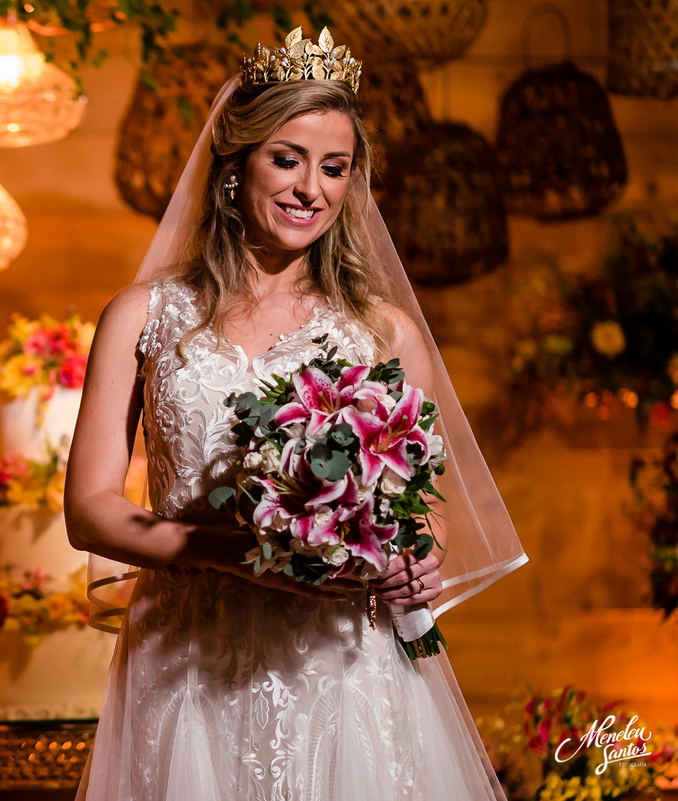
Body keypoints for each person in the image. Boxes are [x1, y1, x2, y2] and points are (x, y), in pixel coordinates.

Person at [64, 29, 528, 801]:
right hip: (191, 656)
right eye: (287, 158)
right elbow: (89, 510)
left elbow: (428, 511)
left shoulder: (382, 332)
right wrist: (235, 554)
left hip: (342, 661)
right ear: (235, 164)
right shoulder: (143, 317)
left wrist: (416, 555)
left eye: (334, 167)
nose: (310, 186)